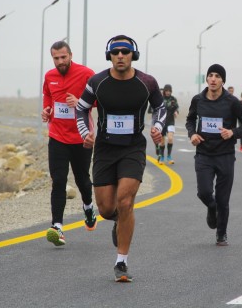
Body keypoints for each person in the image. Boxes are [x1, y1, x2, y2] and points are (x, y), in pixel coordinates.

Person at [76, 35, 166, 282]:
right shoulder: (98, 81)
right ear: (109, 56)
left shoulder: (146, 82)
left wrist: (157, 126)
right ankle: (118, 221)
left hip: (132, 148)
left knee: (125, 201)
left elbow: (161, 107)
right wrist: (86, 133)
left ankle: (121, 263)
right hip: (105, 148)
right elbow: (82, 107)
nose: (120, 56)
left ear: (133, 55)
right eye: (115, 52)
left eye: (125, 51)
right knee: (106, 208)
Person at [186, 64, 242, 246]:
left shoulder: (232, 102)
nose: (213, 79)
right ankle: (211, 206)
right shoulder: (198, 100)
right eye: (210, 75)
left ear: (223, 80)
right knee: (204, 192)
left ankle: (221, 234)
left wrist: (233, 133)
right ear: (206, 79)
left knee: (223, 199)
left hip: (225, 156)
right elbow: (190, 120)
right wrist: (192, 134)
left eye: (217, 76)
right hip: (204, 154)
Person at [41, 41, 96, 247]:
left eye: (63, 57)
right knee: (59, 181)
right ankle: (57, 227)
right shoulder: (49, 76)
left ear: (70, 55)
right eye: (56, 58)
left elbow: (100, 100)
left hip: (81, 138)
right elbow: (48, 95)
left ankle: (88, 206)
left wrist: (81, 102)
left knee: (83, 180)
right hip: (57, 136)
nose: (60, 61)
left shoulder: (86, 74)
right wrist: (47, 109)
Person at [157, 84, 179, 165]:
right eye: (167, 91)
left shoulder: (173, 99)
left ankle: (169, 156)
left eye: (169, 91)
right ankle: (162, 157)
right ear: (164, 91)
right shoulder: (160, 99)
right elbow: (156, 109)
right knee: (162, 142)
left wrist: (176, 112)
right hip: (162, 122)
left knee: (170, 138)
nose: (168, 92)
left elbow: (176, 107)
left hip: (170, 122)